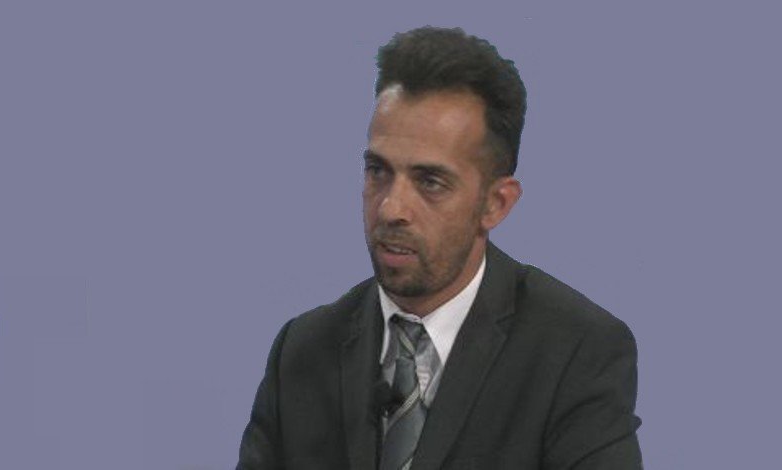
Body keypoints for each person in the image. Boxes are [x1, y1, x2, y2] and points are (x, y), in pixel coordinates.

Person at [236, 26, 642, 470]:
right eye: (378, 172)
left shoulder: (575, 351)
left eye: (430, 182)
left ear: (495, 204)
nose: (391, 208)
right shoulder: (302, 351)